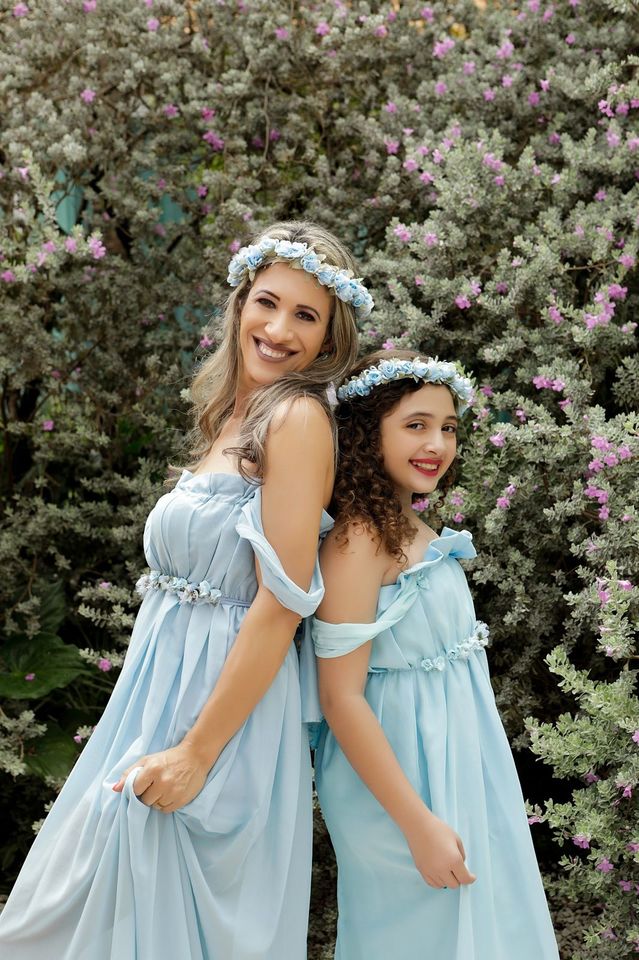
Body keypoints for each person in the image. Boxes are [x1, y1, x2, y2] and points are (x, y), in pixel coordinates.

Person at [0, 222, 371, 960]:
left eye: (305, 315)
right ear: (240, 304)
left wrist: (196, 753)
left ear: (330, 337)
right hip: (155, 696)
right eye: (267, 303)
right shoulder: (231, 417)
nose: (279, 329)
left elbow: (280, 604)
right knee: (70, 912)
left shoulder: (297, 419)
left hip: (218, 716)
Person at [312, 349, 560, 960]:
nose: (437, 444)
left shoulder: (410, 525)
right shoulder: (358, 539)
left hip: (457, 757)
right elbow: (340, 698)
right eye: (416, 425)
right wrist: (418, 824)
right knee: (419, 937)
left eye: (447, 427)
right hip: (402, 779)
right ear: (368, 433)